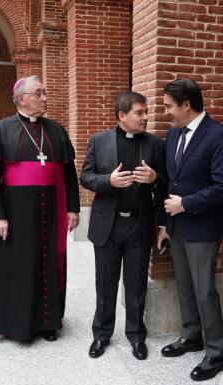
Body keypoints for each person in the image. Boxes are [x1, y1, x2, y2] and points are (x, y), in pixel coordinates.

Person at [0, 75, 80, 342]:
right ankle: (17, 324)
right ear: (21, 98)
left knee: (48, 263)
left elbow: (68, 173)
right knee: (19, 264)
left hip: (52, 209)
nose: (45, 98)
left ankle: (47, 322)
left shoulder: (56, 130)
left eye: (44, 93)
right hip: (15, 211)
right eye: (39, 93)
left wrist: (72, 208)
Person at [156, 78, 223, 381]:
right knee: (185, 287)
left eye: (168, 106)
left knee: (204, 290)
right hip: (177, 225)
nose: (165, 112)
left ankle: (216, 353)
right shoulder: (173, 134)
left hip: (203, 226)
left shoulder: (219, 135)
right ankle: (191, 336)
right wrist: (165, 222)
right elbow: (170, 182)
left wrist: (187, 204)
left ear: (186, 105)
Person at [80, 92, 166, 360]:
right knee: (105, 285)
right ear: (121, 116)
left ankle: (137, 336)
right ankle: (101, 335)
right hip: (108, 225)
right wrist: (109, 181)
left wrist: (154, 178)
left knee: (136, 285)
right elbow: (85, 176)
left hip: (139, 226)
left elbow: (166, 183)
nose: (145, 117)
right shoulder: (99, 140)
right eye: (139, 113)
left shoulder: (154, 144)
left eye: (146, 112)